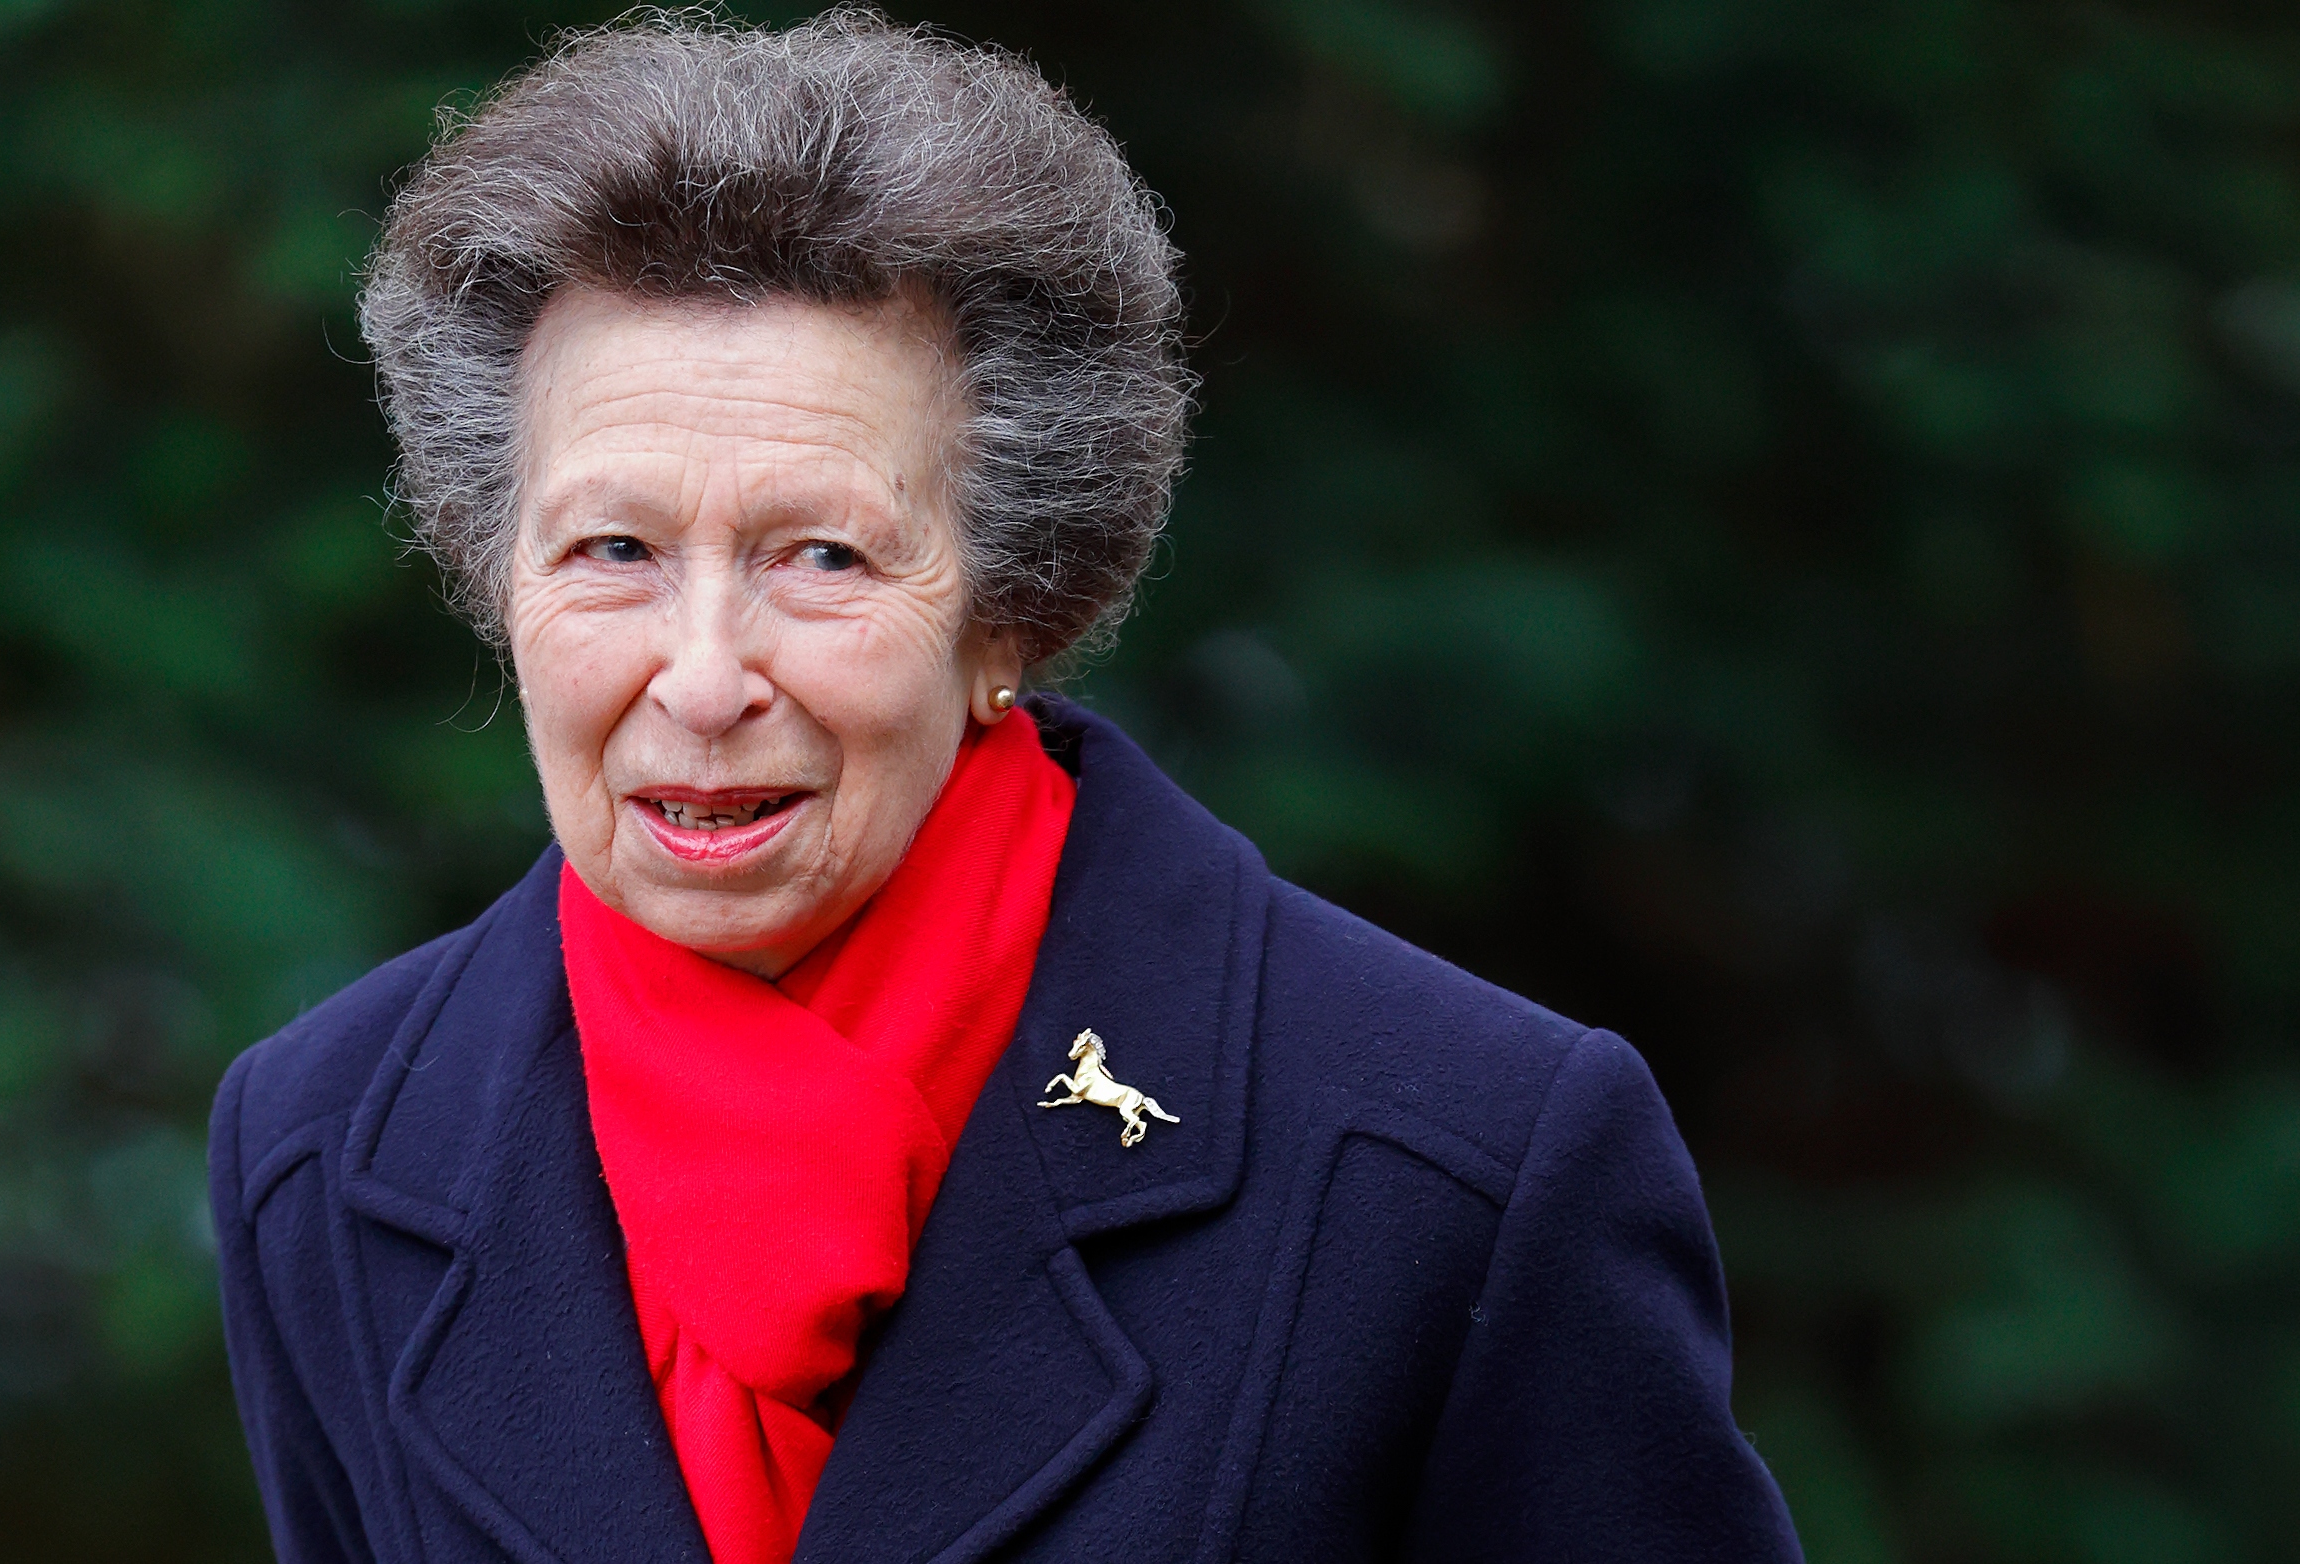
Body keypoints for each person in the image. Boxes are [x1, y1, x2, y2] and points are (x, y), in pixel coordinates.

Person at [209, 13, 1803, 1563]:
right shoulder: (318, 1148)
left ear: (1016, 610)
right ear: (498, 578)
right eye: (610, 551)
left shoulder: (1465, 1157)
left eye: (819, 557)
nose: (699, 677)